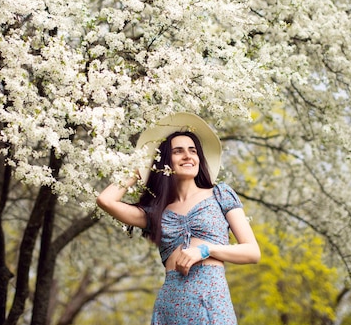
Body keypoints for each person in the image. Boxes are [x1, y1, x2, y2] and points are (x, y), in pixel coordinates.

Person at [97, 112, 261, 325]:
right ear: (166, 161)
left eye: (193, 151)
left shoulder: (220, 194)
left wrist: (206, 250)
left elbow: (252, 252)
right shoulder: (156, 211)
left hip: (211, 300)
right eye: (178, 151)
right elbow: (106, 200)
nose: (187, 156)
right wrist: (138, 169)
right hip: (170, 304)